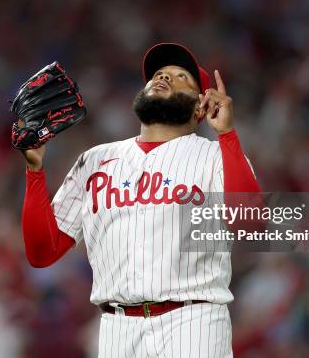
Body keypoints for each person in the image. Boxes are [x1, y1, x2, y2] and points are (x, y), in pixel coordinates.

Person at [20, 43, 261, 357]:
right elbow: (42, 253)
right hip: (116, 327)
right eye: (159, 74)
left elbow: (250, 223)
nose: (163, 78)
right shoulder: (95, 159)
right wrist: (34, 169)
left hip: (192, 322)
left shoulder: (216, 156)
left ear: (200, 107)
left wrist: (227, 134)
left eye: (180, 78)